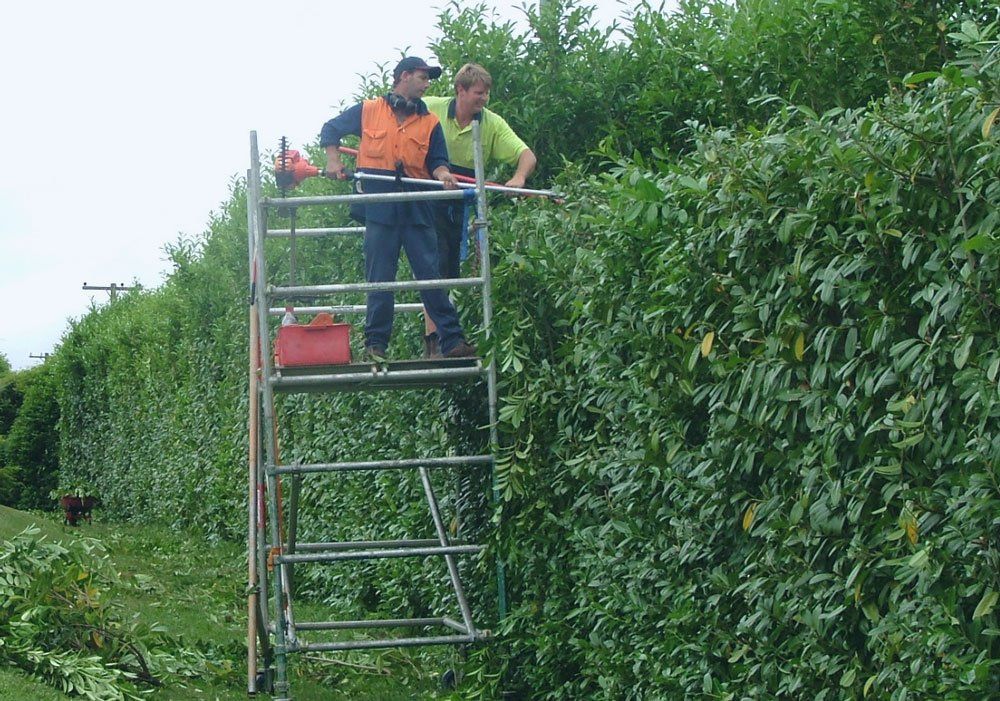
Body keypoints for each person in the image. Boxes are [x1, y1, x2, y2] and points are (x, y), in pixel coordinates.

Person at [320, 56, 476, 360]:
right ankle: (375, 346)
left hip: (417, 206)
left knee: (430, 275)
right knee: (380, 277)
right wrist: (333, 159)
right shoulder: (369, 110)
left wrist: (443, 174)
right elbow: (330, 129)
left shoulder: (430, 121)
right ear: (404, 76)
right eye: (423, 77)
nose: (427, 83)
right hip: (380, 207)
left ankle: (452, 342)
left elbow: (437, 161)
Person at [421, 63, 537, 357]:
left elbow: (526, 154)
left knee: (449, 267)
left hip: (460, 200)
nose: (483, 99)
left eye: (486, 94)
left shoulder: (491, 123)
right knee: (434, 266)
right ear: (460, 90)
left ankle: (445, 341)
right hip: (427, 192)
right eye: (478, 93)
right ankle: (435, 342)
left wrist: (519, 178)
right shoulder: (430, 108)